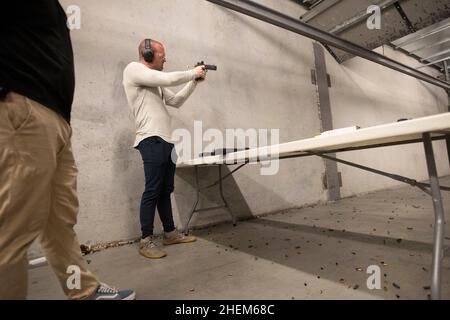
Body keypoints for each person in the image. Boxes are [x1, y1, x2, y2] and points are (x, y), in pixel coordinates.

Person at [0, 0, 135, 300]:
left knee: (59, 221)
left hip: (56, 118)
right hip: (21, 106)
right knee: (11, 228)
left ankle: (82, 290)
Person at [123, 39, 206, 259]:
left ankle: (170, 233)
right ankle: (146, 240)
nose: (165, 59)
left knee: (165, 189)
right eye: (162, 55)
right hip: (150, 138)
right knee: (152, 189)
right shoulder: (134, 70)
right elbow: (168, 79)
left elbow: (177, 100)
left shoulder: (155, 83)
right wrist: (192, 71)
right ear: (148, 54)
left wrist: (194, 81)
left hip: (166, 140)